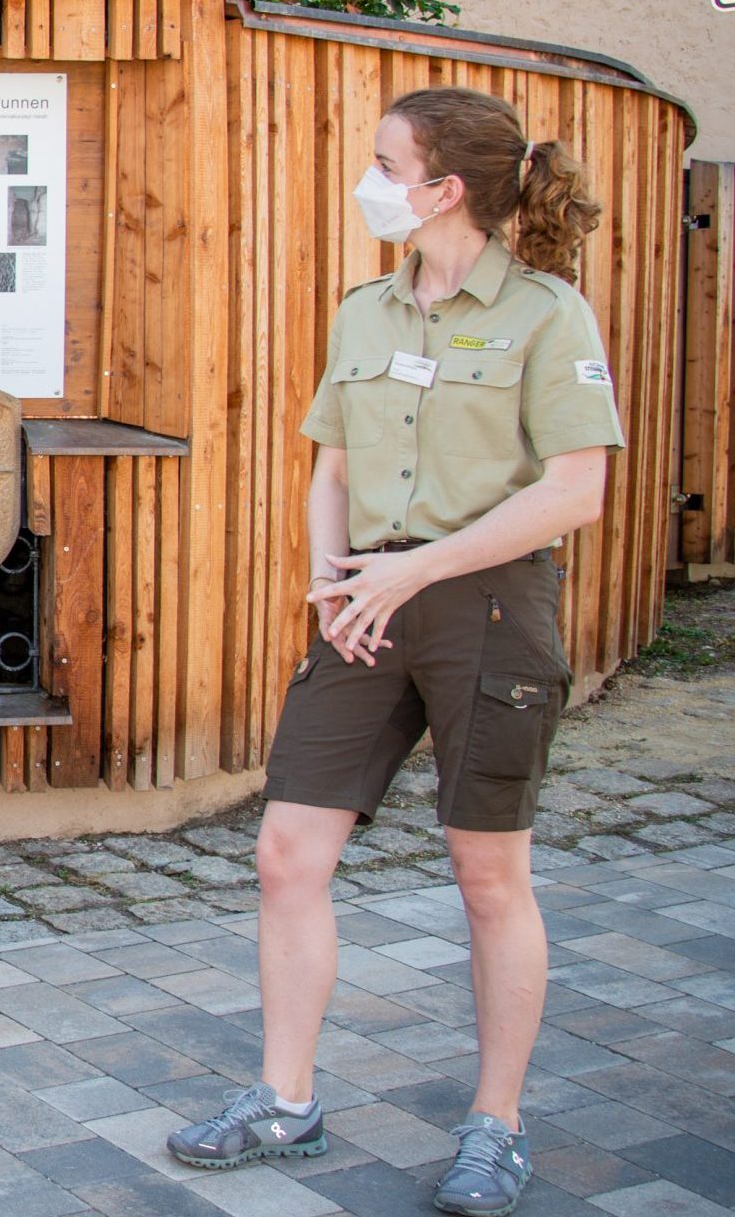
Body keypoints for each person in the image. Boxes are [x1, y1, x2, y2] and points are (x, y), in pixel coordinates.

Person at [164, 87, 616, 1217]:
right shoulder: (363, 310)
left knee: (485, 871)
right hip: (363, 597)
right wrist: (330, 581)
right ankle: (283, 1097)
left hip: (488, 604)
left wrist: (415, 568)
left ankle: (492, 1125)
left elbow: (576, 489)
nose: (369, 179)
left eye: (383, 161)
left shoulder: (548, 315)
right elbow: (329, 467)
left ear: (442, 187)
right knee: (285, 852)